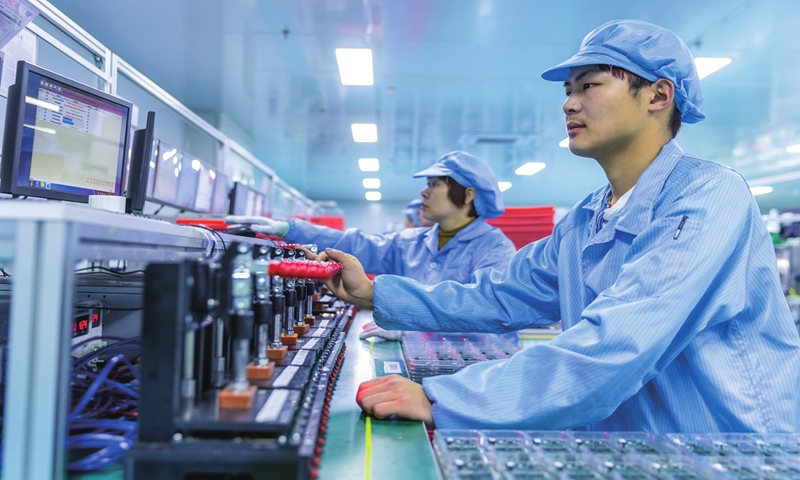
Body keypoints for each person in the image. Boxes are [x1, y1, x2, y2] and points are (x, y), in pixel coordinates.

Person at [319, 20, 800, 433]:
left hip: (731, 452)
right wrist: (376, 294)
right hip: (632, 451)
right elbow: (499, 293)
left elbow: (618, 342)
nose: (569, 104)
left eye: (588, 85)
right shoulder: (586, 219)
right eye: (568, 91)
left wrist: (448, 398)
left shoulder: (708, 197)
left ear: (658, 94)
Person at [227, 151, 517, 340]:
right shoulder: (411, 241)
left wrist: (415, 331)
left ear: (467, 195)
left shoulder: (495, 250)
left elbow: (489, 315)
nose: (424, 192)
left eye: (434, 184)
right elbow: (354, 244)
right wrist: (288, 228)